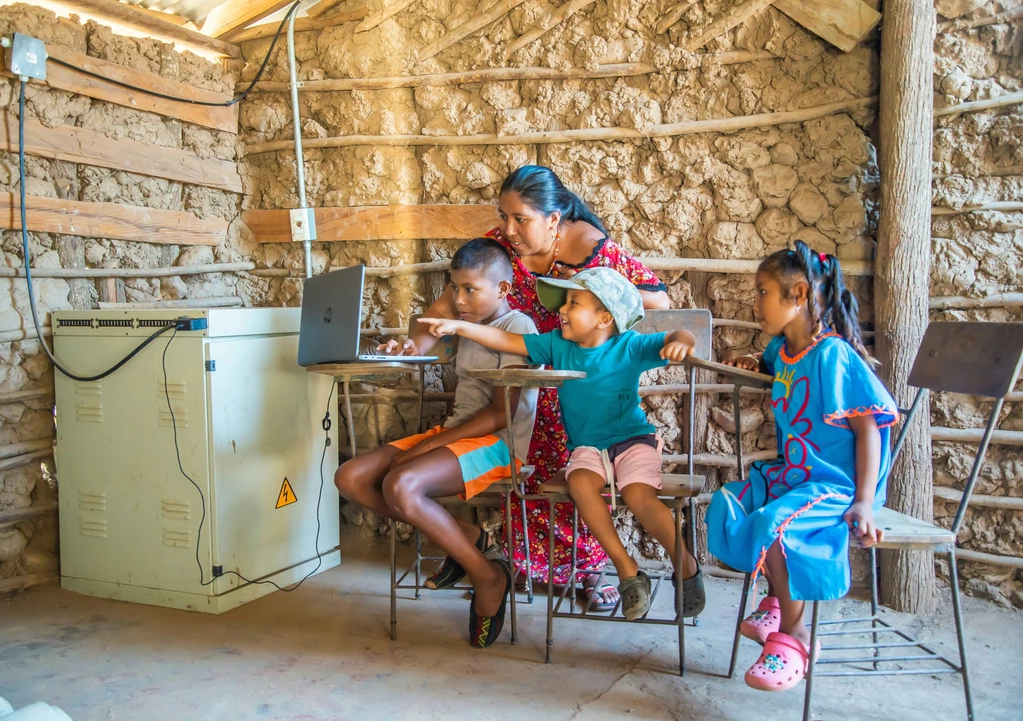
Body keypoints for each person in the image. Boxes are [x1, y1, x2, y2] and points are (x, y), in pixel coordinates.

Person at [379, 165, 671, 611]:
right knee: (526, 479)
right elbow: (442, 312)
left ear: (554, 219)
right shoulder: (501, 247)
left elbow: (657, 297)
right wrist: (410, 345)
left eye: (521, 219)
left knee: (578, 474)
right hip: (518, 384)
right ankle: (523, 564)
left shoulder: (588, 247)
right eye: (504, 216)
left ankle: (589, 572)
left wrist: (588, 296)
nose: (508, 229)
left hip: (573, 384)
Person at [419, 267, 705, 620]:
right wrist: (460, 326)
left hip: (633, 442)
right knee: (580, 483)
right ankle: (629, 571)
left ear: (604, 317)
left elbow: (680, 333)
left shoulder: (629, 345)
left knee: (637, 495)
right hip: (588, 449)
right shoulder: (557, 345)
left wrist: (682, 343)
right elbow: (505, 341)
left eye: (574, 303)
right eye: (564, 303)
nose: (562, 311)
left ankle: (685, 565)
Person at [707, 240, 898, 692]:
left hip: (836, 484)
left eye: (762, 292)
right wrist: (753, 360)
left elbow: (868, 429)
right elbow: (771, 362)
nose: (755, 302)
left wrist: (865, 502)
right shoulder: (783, 349)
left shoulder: (834, 356)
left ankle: (794, 638)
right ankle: (776, 598)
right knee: (732, 501)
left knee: (774, 521)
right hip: (795, 477)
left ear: (797, 296)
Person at [334, 238, 539, 648]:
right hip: (456, 433)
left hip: (499, 444)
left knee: (400, 484)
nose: (460, 300)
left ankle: (487, 576)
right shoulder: (465, 325)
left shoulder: (517, 328)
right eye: (455, 289)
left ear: (502, 289)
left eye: (470, 289)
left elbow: (502, 414)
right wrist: (404, 350)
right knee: (352, 477)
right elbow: (421, 343)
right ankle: (470, 537)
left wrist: (431, 446)